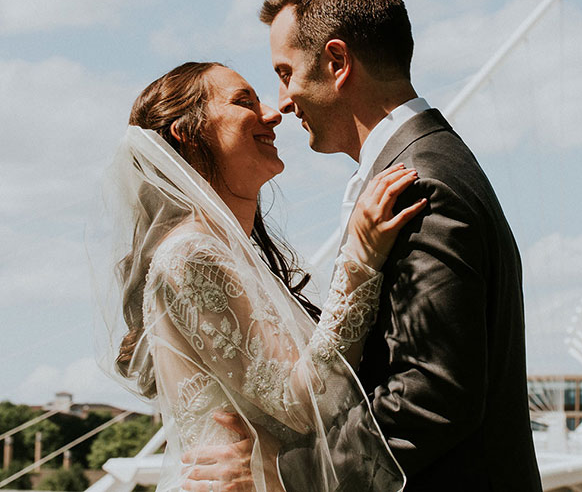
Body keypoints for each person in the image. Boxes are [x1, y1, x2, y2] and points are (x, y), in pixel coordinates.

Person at [256, 0, 543, 490]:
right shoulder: (420, 163)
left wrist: (290, 476)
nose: (282, 101)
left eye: (285, 72)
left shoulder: (422, 181)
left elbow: (432, 394)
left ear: (337, 62)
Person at [100, 61, 427, 491]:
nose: (273, 114)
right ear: (188, 132)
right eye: (244, 102)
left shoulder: (222, 250)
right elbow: (300, 402)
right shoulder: (190, 255)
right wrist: (359, 260)